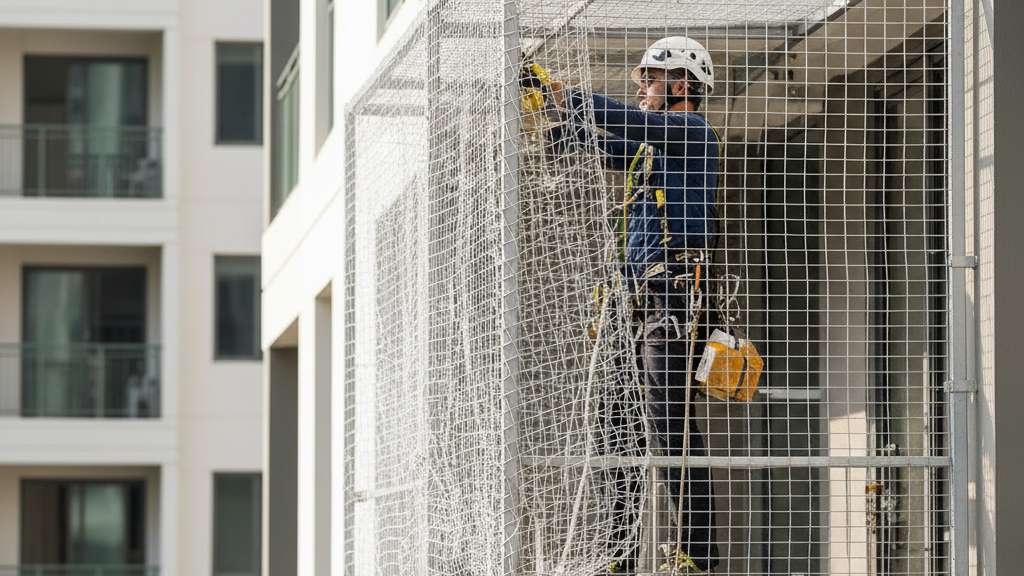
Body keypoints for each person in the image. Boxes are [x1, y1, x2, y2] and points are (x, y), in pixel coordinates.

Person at [538, 36, 722, 573]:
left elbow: (625, 120)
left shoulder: (690, 133)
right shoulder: (650, 147)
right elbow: (599, 140)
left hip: (672, 297)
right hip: (631, 300)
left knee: (669, 423)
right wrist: (551, 123)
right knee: (613, 423)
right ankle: (619, 554)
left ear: (682, 84)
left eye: (650, 78)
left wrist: (563, 92)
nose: (640, 88)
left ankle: (697, 556)